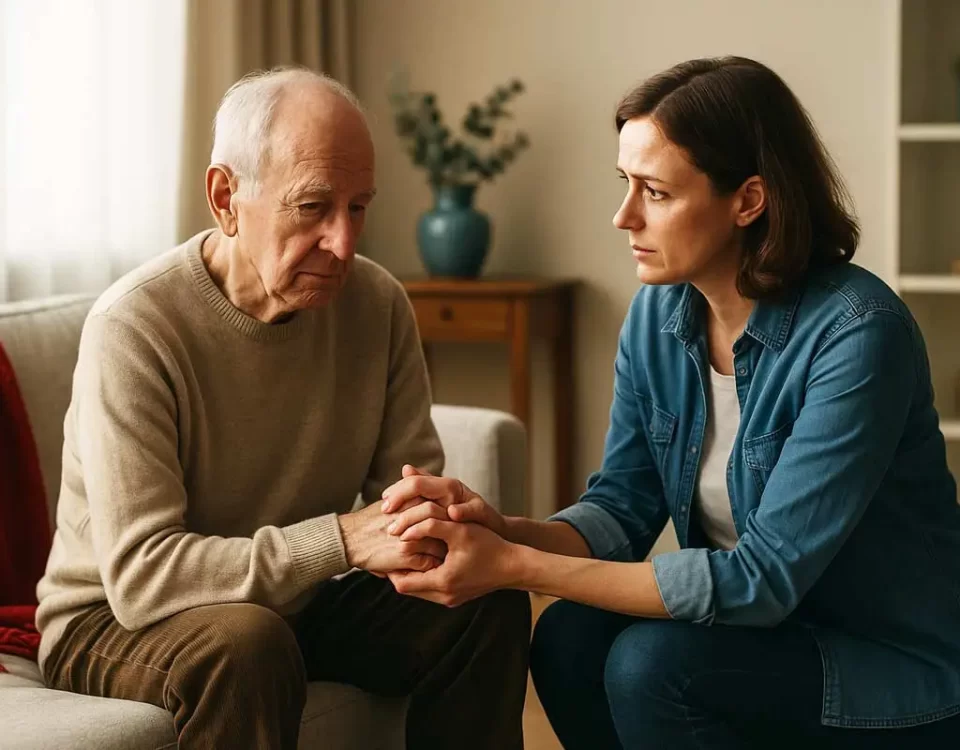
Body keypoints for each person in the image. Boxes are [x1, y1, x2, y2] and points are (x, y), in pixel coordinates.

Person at [379, 56, 960, 748]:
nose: (623, 217)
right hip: (763, 642)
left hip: (886, 669)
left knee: (653, 666)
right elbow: (622, 506)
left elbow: (763, 580)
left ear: (748, 199)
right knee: (568, 637)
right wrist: (505, 531)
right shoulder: (658, 318)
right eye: (625, 184)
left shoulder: (860, 336)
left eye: (654, 192)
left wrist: (515, 568)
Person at [35, 67, 530, 750]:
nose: (344, 243)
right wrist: (345, 539)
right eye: (313, 207)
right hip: (114, 620)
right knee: (248, 641)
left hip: (296, 600)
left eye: (358, 207)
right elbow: (143, 577)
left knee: (485, 599)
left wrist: (438, 529)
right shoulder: (136, 327)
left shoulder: (378, 305)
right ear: (226, 197)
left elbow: (401, 505)